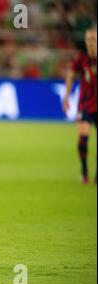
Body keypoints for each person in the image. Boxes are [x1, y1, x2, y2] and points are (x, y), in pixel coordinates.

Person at [63, 27, 97, 184]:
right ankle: (84, 170)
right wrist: (66, 96)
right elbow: (70, 74)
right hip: (85, 103)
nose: (91, 43)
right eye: (88, 40)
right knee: (83, 138)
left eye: (94, 40)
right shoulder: (81, 58)